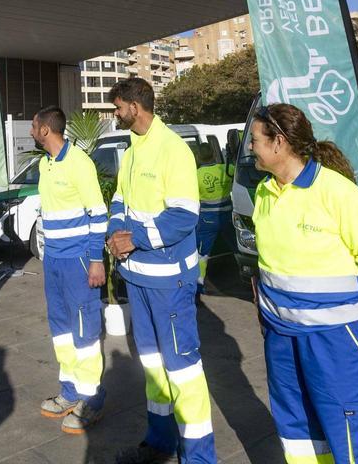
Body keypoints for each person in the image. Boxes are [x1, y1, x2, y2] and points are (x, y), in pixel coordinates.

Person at [248, 103, 358, 464]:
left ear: (279, 143)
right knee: (298, 433)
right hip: (280, 338)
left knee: (350, 436)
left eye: (255, 140)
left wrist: (345, 306)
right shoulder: (263, 194)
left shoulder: (340, 195)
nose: (250, 147)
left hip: (335, 342)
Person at [106, 77, 215, 464]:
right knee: (152, 367)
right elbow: (120, 198)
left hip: (169, 282)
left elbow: (184, 216)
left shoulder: (172, 149)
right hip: (137, 278)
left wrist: (132, 238)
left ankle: (200, 458)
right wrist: (115, 231)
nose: (116, 114)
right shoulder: (133, 147)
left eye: (118, 108)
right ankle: (160, 443)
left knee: (182, 370)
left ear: (135, 107)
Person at [32, 105, 108, 434]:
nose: (32, 131)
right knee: (62, 330)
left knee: (85, 332)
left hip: (79, 261)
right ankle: (70, 392)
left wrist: (95, 260)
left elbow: (98, 213)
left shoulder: (79, 162)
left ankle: (92, 399)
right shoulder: (44, 164)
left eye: (34, 126)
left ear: (46, 130)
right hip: (54, 261)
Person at [194, 144, 232, 295]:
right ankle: (250, 280)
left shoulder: (195, 175)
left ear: (198, 157)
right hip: (227, 217)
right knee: (238, 250)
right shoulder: (226, 169)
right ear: (213, 154)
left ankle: (198, 288)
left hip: (207, 220)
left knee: (202, 255)